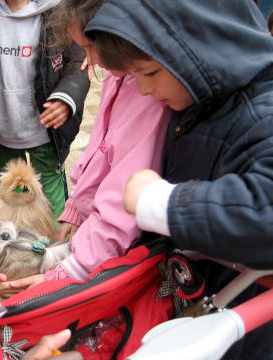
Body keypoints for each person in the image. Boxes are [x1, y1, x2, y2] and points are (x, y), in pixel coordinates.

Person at [85, 0, 273, 358]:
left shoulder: (262, 114)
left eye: (150, 73)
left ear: (200, 52)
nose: (142, 90)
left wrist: (159, 201)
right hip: (200, 313)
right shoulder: (194, 106)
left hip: (248, 333)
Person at [0, 0, 169, 289]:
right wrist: (77, 208)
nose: (89, 60)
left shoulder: (146, 90)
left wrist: (69, 270)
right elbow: (100, 149)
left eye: (90, 47)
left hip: (119, 252)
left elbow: (121, 201)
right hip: (99, 239)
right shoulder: (119, 76)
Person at [0, 0, 90, 222]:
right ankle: (19, 239)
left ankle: (56, 246)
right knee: (9, 192)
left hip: (46, 129)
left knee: (51, 192)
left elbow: (79, 59)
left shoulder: (59, 11)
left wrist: (66, 97)